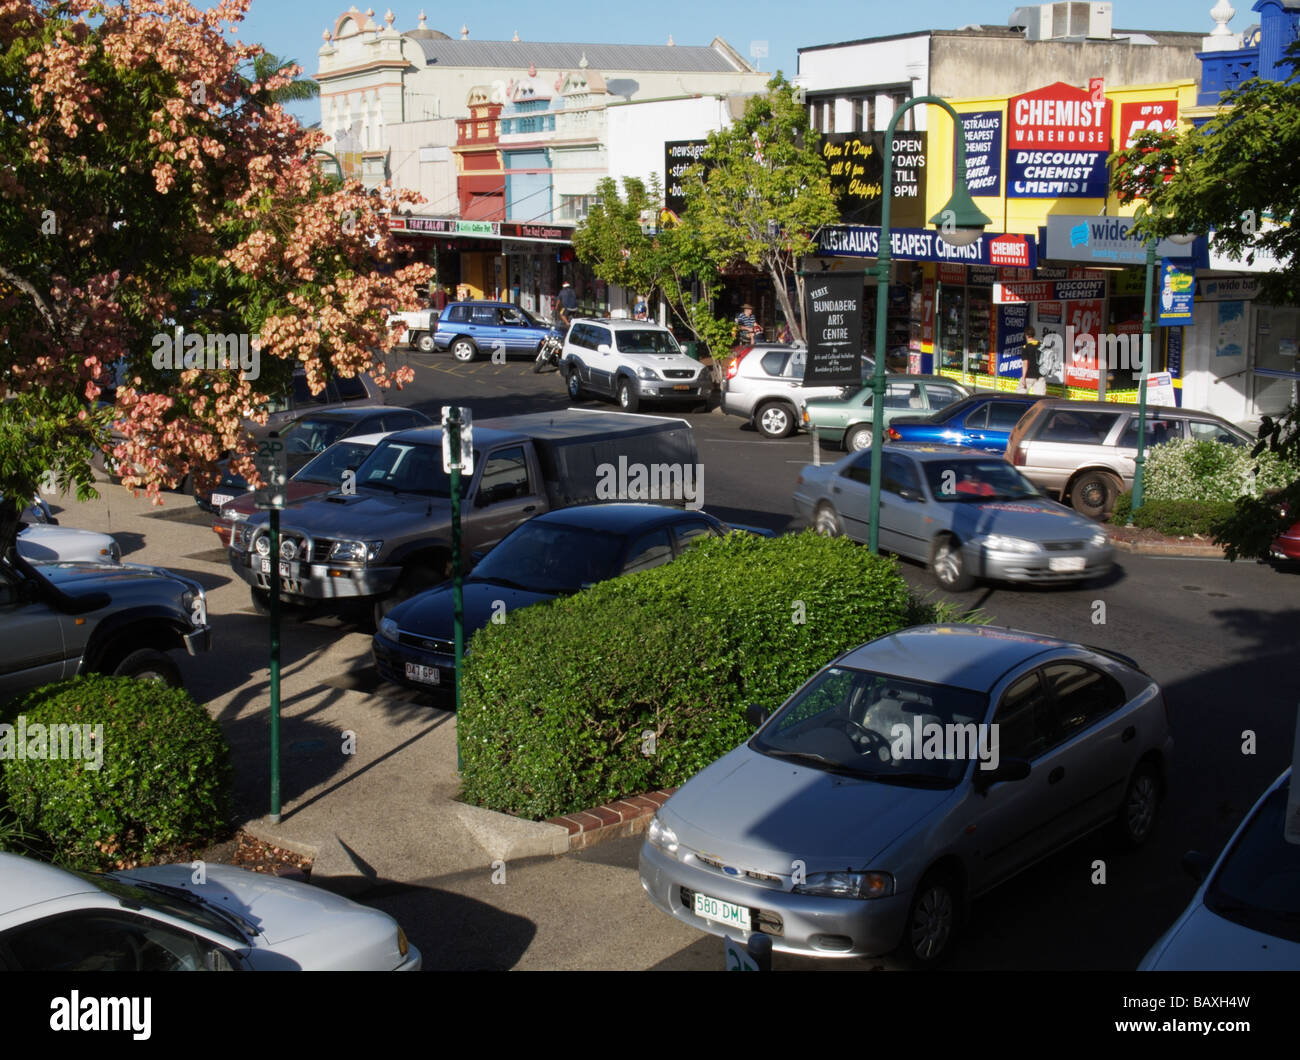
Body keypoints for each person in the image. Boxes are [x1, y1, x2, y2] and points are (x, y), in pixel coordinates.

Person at [1019, 326, 1046, 395]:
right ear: (1033, 334)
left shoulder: (1026, 347)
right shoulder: (1041, 345)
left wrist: (1023, 378)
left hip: (1029, 376)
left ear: (1026, 335)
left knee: (1020, 397)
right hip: (1040, 376)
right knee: (1039, 399)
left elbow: (1025, 363)